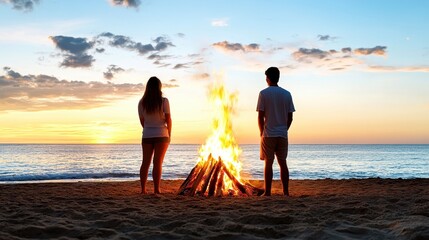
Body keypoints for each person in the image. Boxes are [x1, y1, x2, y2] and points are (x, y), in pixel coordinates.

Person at [257, 67, 295, 196]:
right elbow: (290, 117)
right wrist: (284, 129)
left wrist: (262, 132)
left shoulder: (263, 93)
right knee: (282, 162)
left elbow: (260, 116)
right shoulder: (287, 94)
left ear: (268, 78)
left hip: (268, 134)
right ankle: (286, 192)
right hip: (282, 134)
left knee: (269, 162)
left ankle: (267, 192)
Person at [138, 76, 172, 194]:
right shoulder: (164, 101)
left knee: (145, 162)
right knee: (157, 162)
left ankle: (143, 190)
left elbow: (142, 121)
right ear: (159, 87)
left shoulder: (142, 103)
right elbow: (168, 119)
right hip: (162, 134)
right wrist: (169, 134)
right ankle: (157, 189)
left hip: (147, 134)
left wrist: (148, 129)